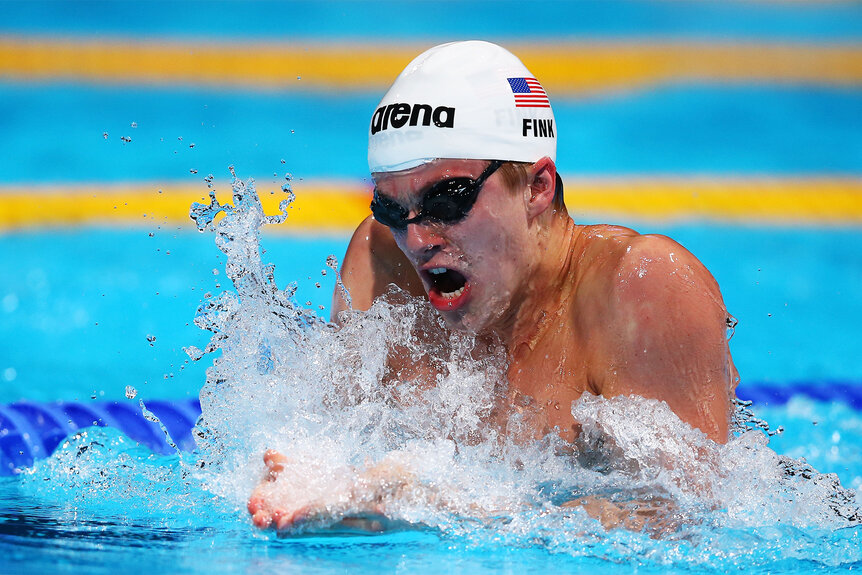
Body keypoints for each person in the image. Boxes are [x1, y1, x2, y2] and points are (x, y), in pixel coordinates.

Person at [248, 40, 739, 532]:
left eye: (447, 199)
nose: (416, 240)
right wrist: (303, 479)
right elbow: (333, 438)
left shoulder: (639, 289)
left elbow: (689, 521)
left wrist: (439, 507)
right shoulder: (384, 264)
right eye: (391, 209)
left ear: (536, 187)